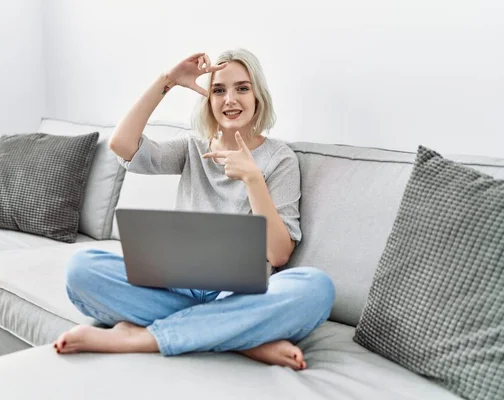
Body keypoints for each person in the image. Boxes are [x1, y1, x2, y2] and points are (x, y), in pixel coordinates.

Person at [53, 49, 335, 371]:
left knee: (316, 288)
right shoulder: (192, 147)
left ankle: (142, 338)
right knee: (81, 268)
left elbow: (279, 254)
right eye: (219, 90)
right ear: (208, 99)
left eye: (242, 88)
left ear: (258, 95)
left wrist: (252, 178)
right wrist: (168, 81)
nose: (230, 99)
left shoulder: (279, 158)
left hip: (239, 292)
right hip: (176, 282)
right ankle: (241, 336)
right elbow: (122, 145)